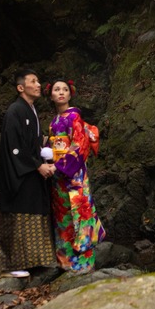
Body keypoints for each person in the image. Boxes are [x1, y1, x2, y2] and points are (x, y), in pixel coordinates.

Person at [0, 68, 56, 278]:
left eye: (39, 81)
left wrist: (44, 154)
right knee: (20, 212)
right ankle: (14, 263)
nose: (38, 85)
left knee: (34, 210)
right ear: (21, 87)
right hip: (19, 171)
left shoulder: (30, 110)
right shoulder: (15, 110)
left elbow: (31, 143)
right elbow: (14, 146)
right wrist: (37, 165)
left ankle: (35, 261)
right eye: (33, 81)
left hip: (30, 168)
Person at [47, 78, 106, 272]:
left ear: (70, 94)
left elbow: (79, 145)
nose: (61, 92)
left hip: (74, 176)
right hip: (59, 178)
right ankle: (65, 260)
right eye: (57, 89)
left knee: (80, 214)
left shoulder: (74, 118)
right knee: (63, 217)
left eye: (65, 89)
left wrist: (59, 165)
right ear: (51, 95)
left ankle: (84, 263)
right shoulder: (53, 122)